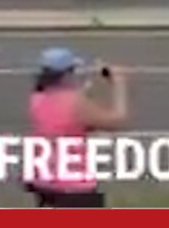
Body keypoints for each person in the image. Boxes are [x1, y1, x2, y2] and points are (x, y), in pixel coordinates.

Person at [26, 48, 128, 208]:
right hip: (74, 189)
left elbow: (65, 122)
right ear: (66, 75)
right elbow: (118, 121)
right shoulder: (76, 103)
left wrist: (82, 93)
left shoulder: (37, 100)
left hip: (45, 184)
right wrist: (119, 84)